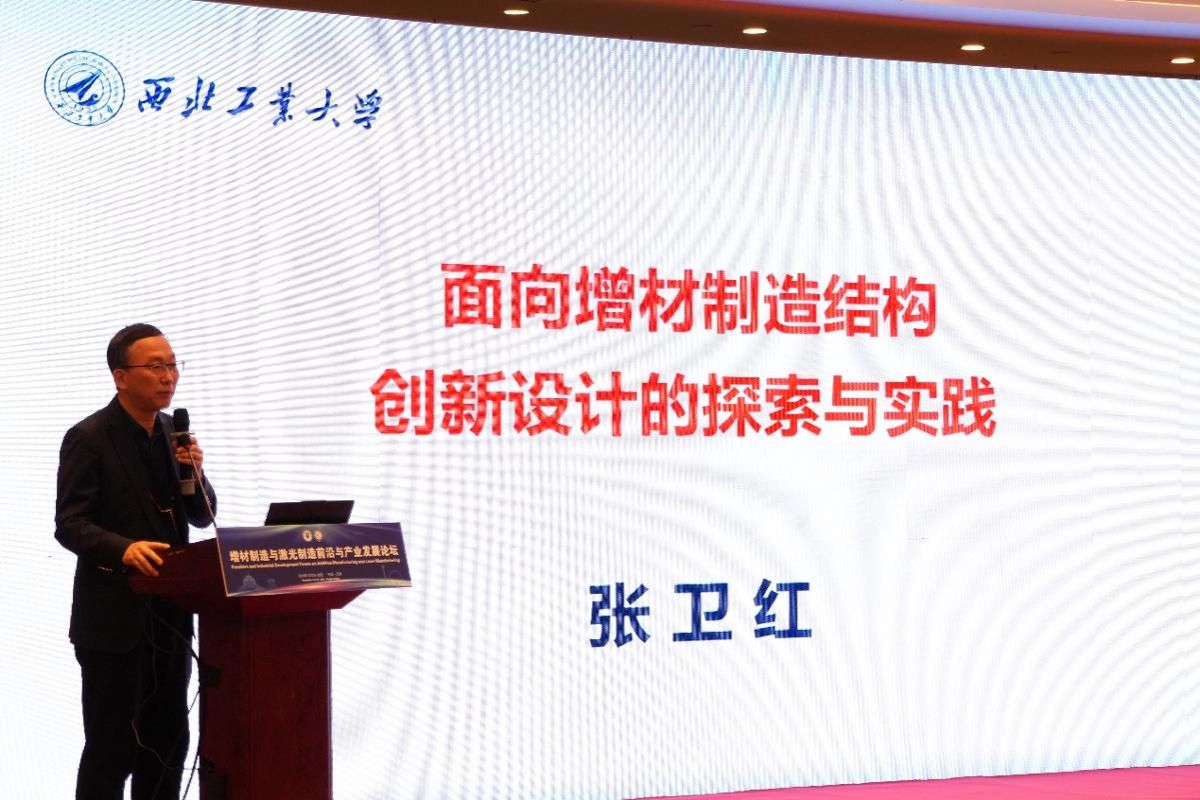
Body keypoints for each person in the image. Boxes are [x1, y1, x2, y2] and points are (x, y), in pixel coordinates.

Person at [55, 323, 216, 800]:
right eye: (156, 366)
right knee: (111, 751)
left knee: (168, 744)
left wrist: (195, 473)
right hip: (113, 622)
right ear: (121, 377)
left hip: (170, 619)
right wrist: (123, 548)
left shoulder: (173, 435)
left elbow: (201, 515)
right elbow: (70, 523)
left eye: (173, 366)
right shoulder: (89, 437)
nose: (168, 377)